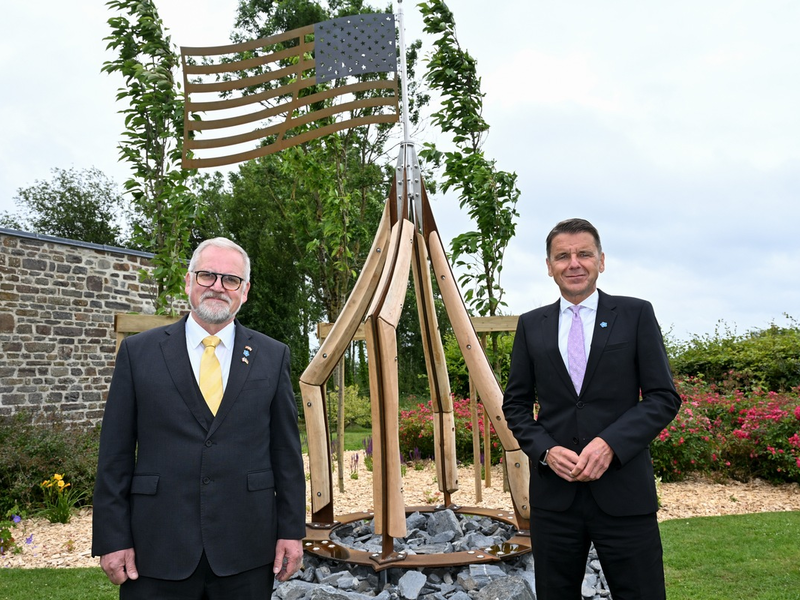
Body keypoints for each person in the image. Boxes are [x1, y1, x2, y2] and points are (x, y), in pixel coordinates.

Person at [92, 237, 306, 599]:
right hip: (155, 548)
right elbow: (114, 454)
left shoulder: (273, 356)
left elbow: (286, 455)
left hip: (247, 548)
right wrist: (113, 538)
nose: (218, 287)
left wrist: (291, 531)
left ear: (245, 291)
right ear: (188, 282)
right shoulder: (138, 353)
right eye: (207, 275)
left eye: (231, 279)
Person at [502, 218, 681, 600]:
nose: (574, 263)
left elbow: (663, 396)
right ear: (549, 266)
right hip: (555, 499)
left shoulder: (635, 315)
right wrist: (547, 451)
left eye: (584, 253)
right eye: (562, 256)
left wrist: (610, 444)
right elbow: (515, 405)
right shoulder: (532, 325)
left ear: (601, 260)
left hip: (624, 493)